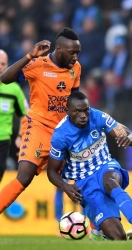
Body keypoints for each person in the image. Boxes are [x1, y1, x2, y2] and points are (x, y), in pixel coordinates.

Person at [47, 91, 132, 241]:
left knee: (110, 182)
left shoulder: (98, 116)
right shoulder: (60, 135)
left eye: (86, 110)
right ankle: (98, 228)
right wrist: (65, 187)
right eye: (77, 111)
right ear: (67, 111)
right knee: (118, 238)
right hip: (85, 182)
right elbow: (51, 171)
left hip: (105, 166)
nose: (83, 115)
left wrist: (128, 139)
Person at [0, 27, 81, 213]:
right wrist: (29, 56)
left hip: (62, 132)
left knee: (83, 179)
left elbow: (74, 101)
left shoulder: (76, 69)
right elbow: (5, 78)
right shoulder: (38, 65)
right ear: (59, 49)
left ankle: (95, 229)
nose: (75, 57)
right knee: (24, 177)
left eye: (78, 53)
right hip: (37, 127)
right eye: (72, 52)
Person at [0, 49, 28, 182]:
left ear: (7, 66)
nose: (0, 67)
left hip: (3, 140)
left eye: (3, 64)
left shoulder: (14, 89)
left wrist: (21, 136)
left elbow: (26, 115)